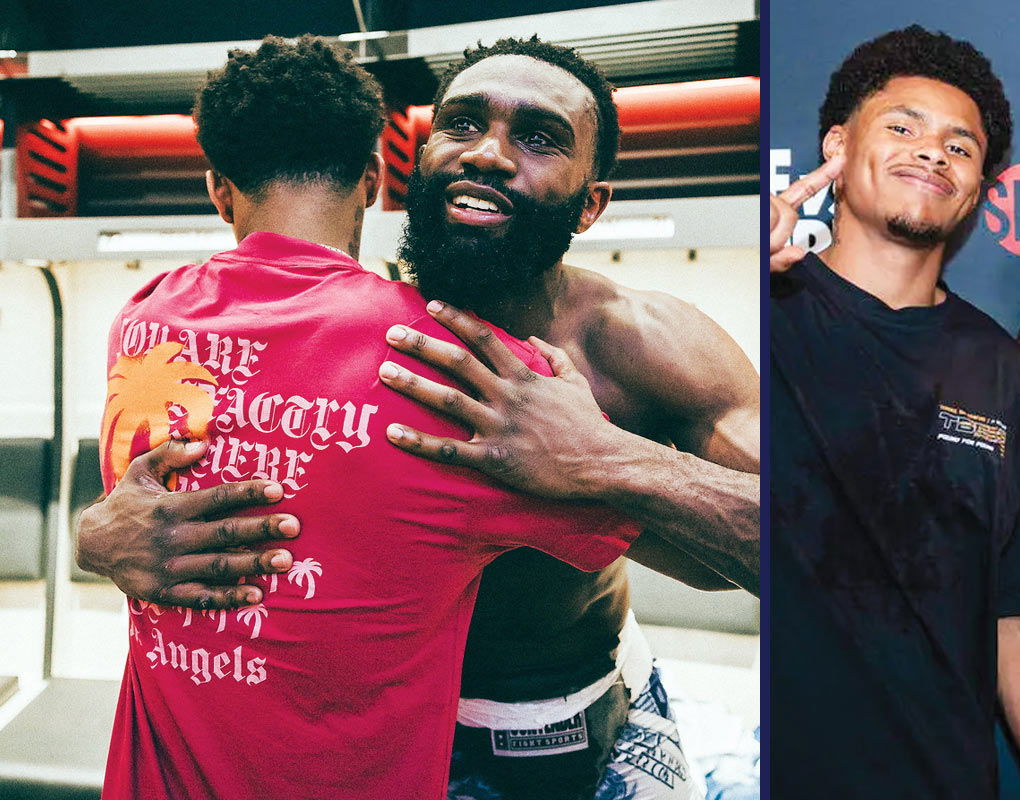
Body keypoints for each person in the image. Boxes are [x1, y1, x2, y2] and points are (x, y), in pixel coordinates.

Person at [77, 35, 760, 800]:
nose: (487, 153)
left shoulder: (640, 344)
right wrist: (95, 535)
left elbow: (807, 551)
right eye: (461, 123)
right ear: (407, 167)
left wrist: (605, 457)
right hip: (382, 737)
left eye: (538, 138)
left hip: (560, 722)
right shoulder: (372, 335)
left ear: (591, 202)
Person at [768, 25, 1020, 799]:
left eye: (959, 146)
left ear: (979, 187)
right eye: (903, 128)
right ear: (838, 147)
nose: (932, 154)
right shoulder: (766, 312)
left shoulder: (1006, 377)